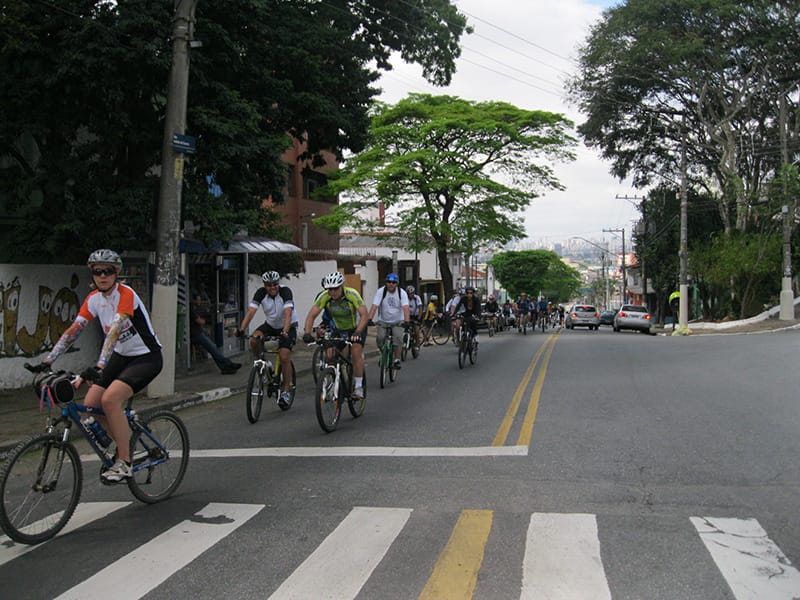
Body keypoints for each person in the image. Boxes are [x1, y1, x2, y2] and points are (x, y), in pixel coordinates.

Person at [30, 249, 163, 483]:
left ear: (117, 273)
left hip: (146, 357)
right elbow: (75, 329)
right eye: (98, 271)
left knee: (110, 400)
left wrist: (100, 366)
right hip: (120, 356)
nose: (103, 276)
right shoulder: (94, 299)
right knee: (91, 404)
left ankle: (125, 462)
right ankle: (124, 443)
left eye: (108, 271)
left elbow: (114, 331)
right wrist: (48, 360)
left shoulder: (126, 294)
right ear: (92, 274)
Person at [235, 271, 297, 409]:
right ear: (264, 286)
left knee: (284, 355)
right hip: (270, 325)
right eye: (269, 285)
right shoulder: (261, 293)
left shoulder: (285, 292)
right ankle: (263, 365)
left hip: (288, 326)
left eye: (275, 284)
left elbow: (288, 314)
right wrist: (241, 330)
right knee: (254, 340)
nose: (272, 287)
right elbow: (251, 312)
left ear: (278, 284)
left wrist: (285, 332)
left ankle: (286, 390)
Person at [302, 272, 369, 399]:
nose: (332, 292)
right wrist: (307, 333)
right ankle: (335, 380)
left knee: (356, 352)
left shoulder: (352, 294)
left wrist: (358, 332)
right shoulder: (324, 296)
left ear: (342, 286)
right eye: (329, 289)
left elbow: (364, 315)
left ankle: (358, 386)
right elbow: (311, 315)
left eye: (335, 289)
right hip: (339, 329)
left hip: (356, 328)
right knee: (331, 355)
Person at [367, 273, 410, 369]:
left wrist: (407, 322)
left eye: (393, 282)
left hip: (398, 321)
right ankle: (383, 354)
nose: (391, 284)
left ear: (397, 284)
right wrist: (369, 319)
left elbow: (406, 308)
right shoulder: (381, 292)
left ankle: (397, 359)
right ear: (386, 283)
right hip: (383, 320)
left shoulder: (402, 293)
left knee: (398, 338)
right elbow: (374, 306)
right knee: (380, 338)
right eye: (389, 282)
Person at [190, 294, 241, 374]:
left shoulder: (198, 308)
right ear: (194, 301)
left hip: (199, 332)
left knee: (213, 347)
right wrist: (205, 321)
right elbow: (200, 321)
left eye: (200, 300)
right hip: (195, 334)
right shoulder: (192, 309)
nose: (199, 302)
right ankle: (228, 363)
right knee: (212, 347)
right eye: (198, 300)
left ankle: (224, 367)